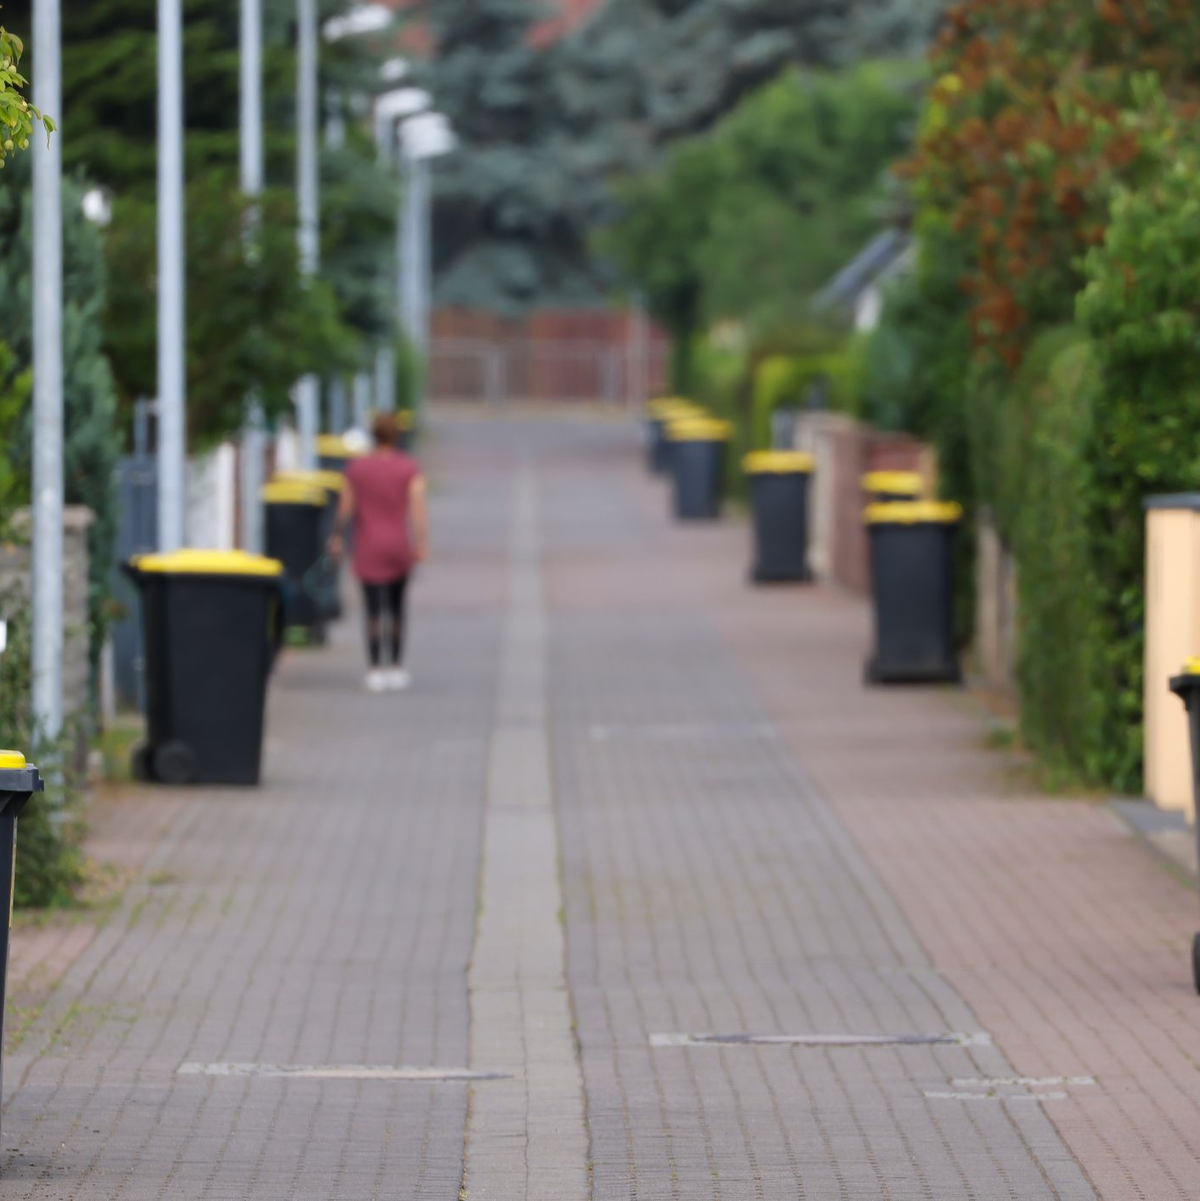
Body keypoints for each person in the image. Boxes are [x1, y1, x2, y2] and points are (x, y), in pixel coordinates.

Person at [328, 412, 428, 693]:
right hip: (398, 546)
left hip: (368, 547)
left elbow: (345, 507)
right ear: (397, 435)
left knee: (373, 610)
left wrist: (336, 536)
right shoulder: (408, 468)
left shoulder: (357, 469)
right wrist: (421, 542)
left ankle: (374, 669)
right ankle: (395, 667)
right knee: (397, 609)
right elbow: (417, 507)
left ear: (373, 435)